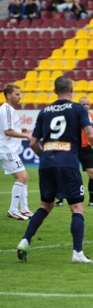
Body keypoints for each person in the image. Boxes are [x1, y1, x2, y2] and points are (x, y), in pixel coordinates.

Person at [16, 76, 93, 263]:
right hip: (68, 162)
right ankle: (77, 253)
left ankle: (25, 240)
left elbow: (33, 142)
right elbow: (90, 134)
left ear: (55, 91)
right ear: (71, 90)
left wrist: (45, 157)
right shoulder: (78, 109)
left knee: (45, 205)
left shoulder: (44, 111)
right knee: (77, 207)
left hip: (47, 164)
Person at [1, 84, 32, 221]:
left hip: (9, 149)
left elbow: (9, 128)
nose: (20, 97)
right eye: (17, 94)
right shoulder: (6, 109)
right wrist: (26, 136)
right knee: (21, 177)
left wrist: (21, 130)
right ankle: (13, 210)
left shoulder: (10, 110)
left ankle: (24, 209)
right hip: (5, 149)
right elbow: (7, 131)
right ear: (9, 95)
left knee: (25, 176)